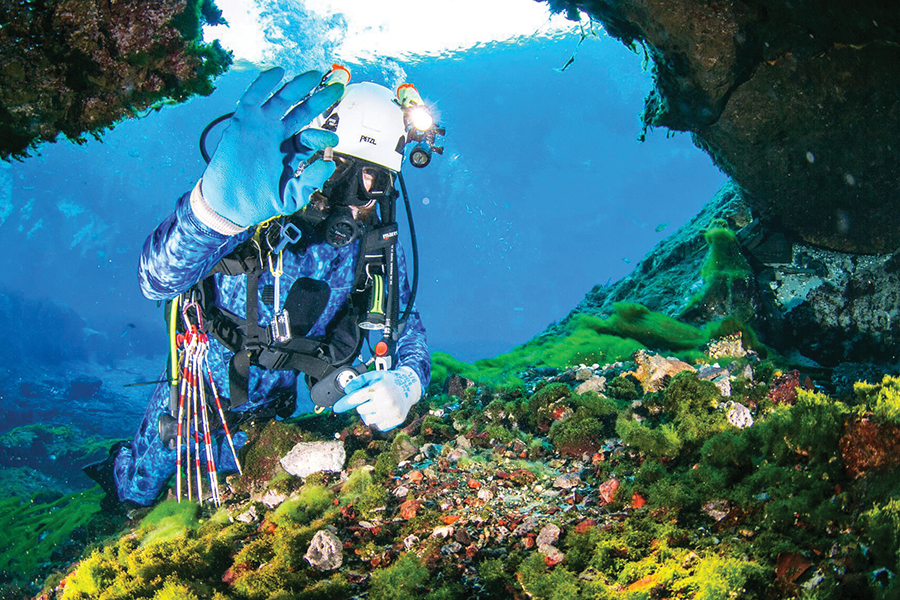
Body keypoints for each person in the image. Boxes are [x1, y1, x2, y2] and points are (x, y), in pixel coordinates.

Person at [85, 66, 434, 507]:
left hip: (275, 404)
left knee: (235, 488)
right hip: (199, 381)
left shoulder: (374, 242)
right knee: (140, 485)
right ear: (311, 154)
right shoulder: (258, 201)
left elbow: (405, 324)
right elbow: (156, 280)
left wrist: (407, 382)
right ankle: (121, 475)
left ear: (386, 185)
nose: (348, 197)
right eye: (337, 171)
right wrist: (213, 213)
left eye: (371, 179)